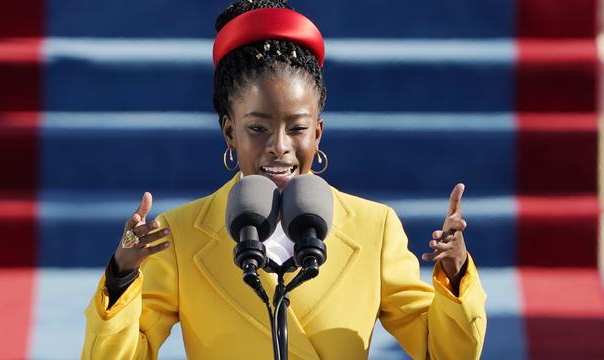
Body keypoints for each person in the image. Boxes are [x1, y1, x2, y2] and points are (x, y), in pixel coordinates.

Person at [81, 1, 487, 359]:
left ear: (318, 133)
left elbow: (445, 352)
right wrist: (122, 275)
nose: (280, 146)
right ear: (229, 132)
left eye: (297, 128)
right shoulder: (181, 235)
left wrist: (455, 274)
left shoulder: (373, 228)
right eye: (258, 128)